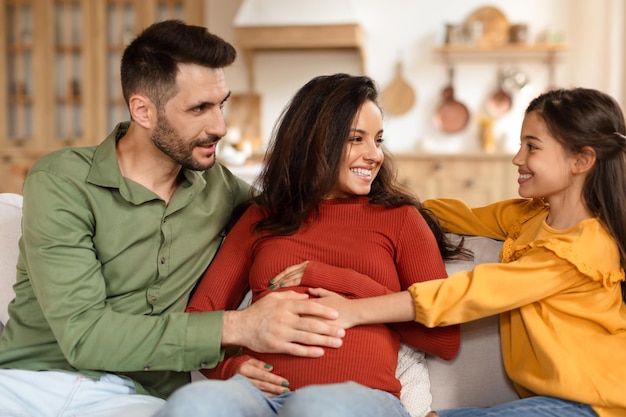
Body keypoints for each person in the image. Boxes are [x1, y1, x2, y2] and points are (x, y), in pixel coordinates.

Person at [0, 20, 346, 417]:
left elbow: (305, 224)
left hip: (136, 400)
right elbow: (84, 334)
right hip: (27, 384)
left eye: (221, 104)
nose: (220, 126)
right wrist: (238, 327)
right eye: (199, 108)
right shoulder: (62, 180)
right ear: (143, 110)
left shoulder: (222, 189)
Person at [291, 87, 626, 417]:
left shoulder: (584, 248)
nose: (517, 158)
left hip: (594, 407)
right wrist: (384, 207)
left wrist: (355, 311)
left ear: (581, 160)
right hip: (543, 404)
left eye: (532, 147)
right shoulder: (530, 217)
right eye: (521, 144)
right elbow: (461, 215)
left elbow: (470, 292)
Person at [154, 73, 470, 417]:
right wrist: (229, 369)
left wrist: (334, 279)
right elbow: (199, 317)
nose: (374, 155)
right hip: (261, 397)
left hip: (358, 399)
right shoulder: (263, 217)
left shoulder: (401, 219)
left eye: (378, 140)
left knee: (314, 407)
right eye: (356, 139)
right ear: (315, 142)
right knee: (192, 404)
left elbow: (444, 339)